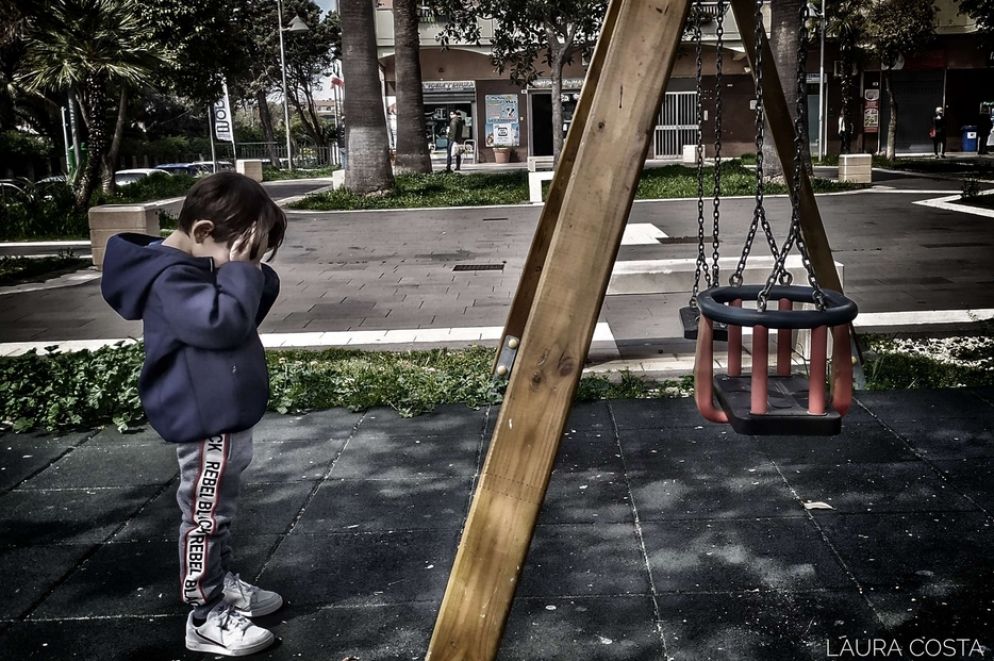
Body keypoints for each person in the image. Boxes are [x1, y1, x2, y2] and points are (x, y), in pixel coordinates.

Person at [101, 172, 287, 657]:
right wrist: (239, 272)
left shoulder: (196, 269)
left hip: (221, 414)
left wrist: (245, 269)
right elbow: (223, 324)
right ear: (203, 232)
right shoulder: (172, 278)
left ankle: (222, 585)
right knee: (205, 517)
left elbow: (243, 314)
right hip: (204, 419)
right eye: (241, 250)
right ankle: (204, 615)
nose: (246, 263)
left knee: (218, 512)